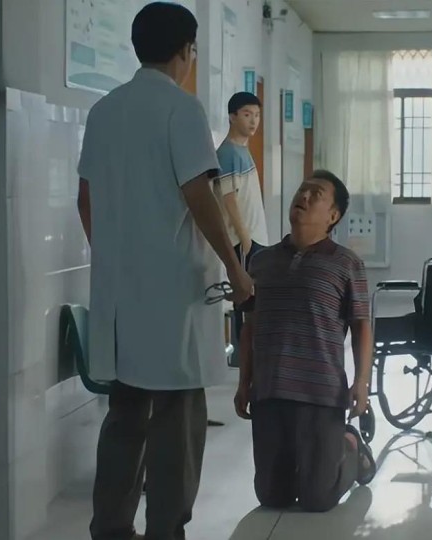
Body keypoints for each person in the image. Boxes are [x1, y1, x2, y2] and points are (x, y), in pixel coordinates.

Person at [76, 3, 253, 539]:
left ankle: (110, 528)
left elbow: (86, 199)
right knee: (177, 420)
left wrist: (118, 257)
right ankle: (165, 530)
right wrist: (236, 268)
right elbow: (199, 194)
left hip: (119, 294)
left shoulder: (103, 110)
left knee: (125, 414)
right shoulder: (182, 109)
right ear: (185, 50)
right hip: (173, 293)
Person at [233, 170, 377, 513]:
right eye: (303, 190)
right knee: (272, 496)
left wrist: (361, 382)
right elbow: (251, 326)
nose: (305, 196)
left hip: (320, 392)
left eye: (316, 194)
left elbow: (361, 326)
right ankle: (312, 461)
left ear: (333, 216)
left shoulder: (346, 263)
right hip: (270, 389)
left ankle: (351, 445)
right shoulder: (262, 261)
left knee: (317, 498)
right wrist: (244, 382)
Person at [214, 92, 268, 367]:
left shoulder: (242, 150)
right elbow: (229, 199)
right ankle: (243, 360)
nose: (253, 121)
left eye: (256, 115)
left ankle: (251, 360)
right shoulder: (227, 153)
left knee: (254, 303)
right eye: (247, 115)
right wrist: (245, 239)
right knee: (247, 303)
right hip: (244, 241)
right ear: (232, 117)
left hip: (255, 238)